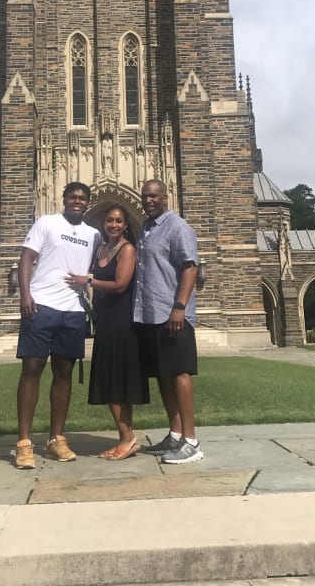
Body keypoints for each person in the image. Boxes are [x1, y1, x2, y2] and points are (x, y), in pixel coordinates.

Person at [15, 182, 101, 469]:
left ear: (88, 203)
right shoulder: (46, 223)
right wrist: (26, 295)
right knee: (32, 369)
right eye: (73, 197)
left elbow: (96, 270)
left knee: (64, 373)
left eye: (82, 198)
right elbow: (27, 258)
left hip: (73, 310)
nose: (78, 202)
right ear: (63, 199)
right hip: (41, 305)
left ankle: (56, 439)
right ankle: (24, 443)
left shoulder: (93, 234)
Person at [66, 204, 149, 460]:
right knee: (111, 379)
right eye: (110, 220)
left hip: (123, 323)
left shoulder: (128, 249)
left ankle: (127, 438)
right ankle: (126, 437)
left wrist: (87, 279)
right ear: (104, 223)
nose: (114, 225)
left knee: (118, 381)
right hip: (105, 322)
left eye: (119, 221)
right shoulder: (101, 248)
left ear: (126, 225)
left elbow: (120, 284)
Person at [133, 179, 202, 464]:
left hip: (172, 314)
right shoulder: (146, 230)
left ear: (165, 196)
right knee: (163, 375)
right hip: (150, 315)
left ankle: (191, 441)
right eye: (145, 196)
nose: (148, 200)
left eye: (153, 196)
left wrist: (179, 307)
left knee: (180, 374)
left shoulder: (178, 227)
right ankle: (174, 435)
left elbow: (190, 267)